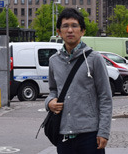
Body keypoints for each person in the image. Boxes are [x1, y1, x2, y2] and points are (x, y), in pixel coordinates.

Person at [45, 8, 112, 153]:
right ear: (59, 32)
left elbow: (105, 97)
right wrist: (49, 102)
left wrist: (104, 131)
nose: (70, 30)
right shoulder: (54, 61)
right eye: (65, 26)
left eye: (74, 26)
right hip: (63, 136)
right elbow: (53, 90)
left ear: (82, 31)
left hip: (90, 135)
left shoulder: (95, 59)